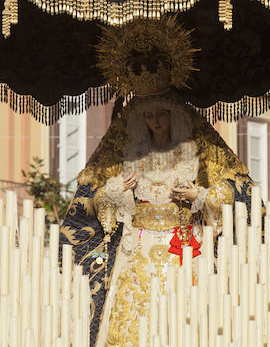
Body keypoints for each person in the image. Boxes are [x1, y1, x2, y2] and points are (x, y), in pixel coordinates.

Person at [60, 18, 255, 347]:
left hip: (183, 246)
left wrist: (200, 195)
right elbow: (97, 199)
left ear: (173, 114)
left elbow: (232, 189)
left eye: (161, 114)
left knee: (183, 322)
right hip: (137, 246)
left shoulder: (197, 146)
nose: (156, 122)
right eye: (149, 116)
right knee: (132, 321)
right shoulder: (130, 151)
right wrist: (115, 193)